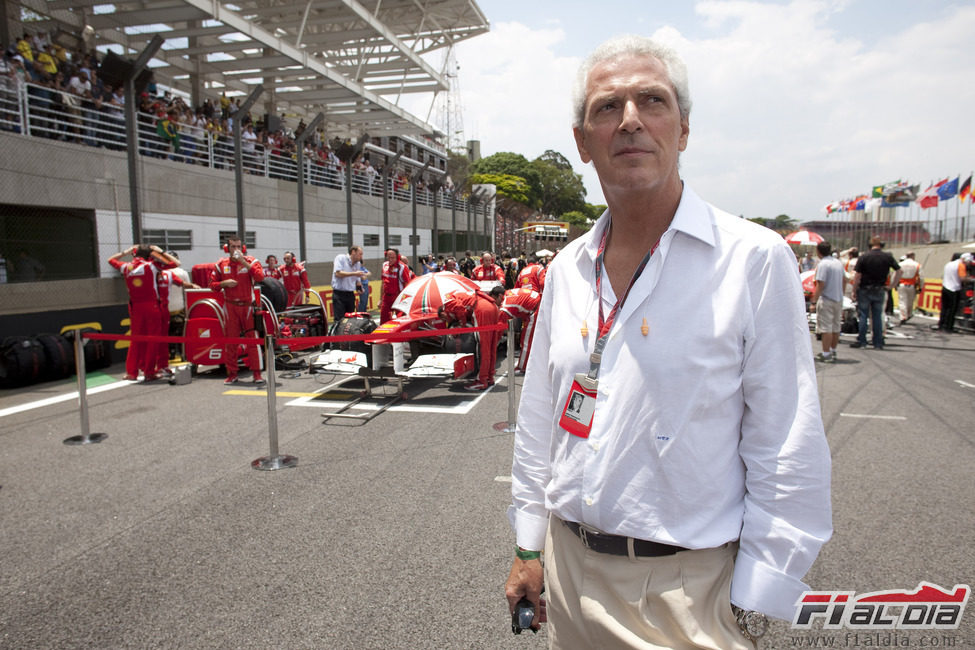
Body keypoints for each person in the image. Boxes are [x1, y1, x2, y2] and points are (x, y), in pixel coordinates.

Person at [504, 35, 831, 650]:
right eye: (607, 107)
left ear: (683, 130)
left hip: (688, 587)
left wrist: (758, 593)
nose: (629, 120)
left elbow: (787, 439)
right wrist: (528, 546)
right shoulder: (568, 267)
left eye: (651, 101)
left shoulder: (754, 259)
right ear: (581, 142)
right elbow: (538, 423)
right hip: (568, 572)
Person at [108, 244, 177, 381]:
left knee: (135, 340)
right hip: (152, 306)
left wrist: (126, 251)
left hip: (136, 308)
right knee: (153, 339)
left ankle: (131, 372)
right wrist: (159, 251)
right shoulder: (152, 265)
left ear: (134, 254)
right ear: (149, 255)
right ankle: (149, 372)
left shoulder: (127, 267)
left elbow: (110, 260)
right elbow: (175, 263)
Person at [209, 236, 266, 385]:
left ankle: (257, 374)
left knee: (252, 341)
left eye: (238, 246)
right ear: (227, 249)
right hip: (230, 307)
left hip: (247, 306)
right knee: (231, 342)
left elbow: (260, 277)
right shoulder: (220, 264)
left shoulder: (251, 261)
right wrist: (223, 283)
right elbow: (212, 285)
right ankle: (232, 374)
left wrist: (243, 262)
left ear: (243, 248)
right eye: (233, 247)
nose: (236, 249)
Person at [438, 286, 502, 391]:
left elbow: (460, 310)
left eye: (444, 317)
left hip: (481, 308)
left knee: (482, 347)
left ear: (443, 312)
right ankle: (489, 377)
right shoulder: (459, 293)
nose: (446, 319)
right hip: (492, 306)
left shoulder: (447, 300)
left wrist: (461, 326)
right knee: (491, 346)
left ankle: (481, 380)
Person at [850, 236, 900, 349]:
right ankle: (878, 342)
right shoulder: (887, 256)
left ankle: (862, 341)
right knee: (877, 316)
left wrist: (854, 290)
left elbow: (857, 275)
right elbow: (899, 270)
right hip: (880, 288)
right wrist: (892, 285)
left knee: (863, 315)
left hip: (865, 288)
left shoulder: (864, 257)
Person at [811, 241, 845, 363]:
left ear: (818, 251)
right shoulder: (838, 263)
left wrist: (814, 301)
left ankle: (826, 353)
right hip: (838, 298)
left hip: (827, 298)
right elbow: (844, 280)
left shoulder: (823, 264)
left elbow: (821, 283)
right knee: (836, 326)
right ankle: (833, 350)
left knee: (826, 328)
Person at [499, 286, 542, 375]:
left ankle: (522, 367)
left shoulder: (506, 304)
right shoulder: (510, 292)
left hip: (535, 310)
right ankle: (532, 364)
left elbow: (500, 327)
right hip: (538, 303)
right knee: (533, 340)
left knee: (526, 342)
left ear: (499, 296)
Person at [331, 245, 367, 322]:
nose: (361, 256)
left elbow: (357, 279)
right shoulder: (341, 258)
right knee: (340, 319)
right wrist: (354, 273)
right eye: (360, 254)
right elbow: (338, 273)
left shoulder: (357, 264)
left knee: (350, 320)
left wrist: (359, 286)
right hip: (339, 294)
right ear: (353, 252)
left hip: (350, 294)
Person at [380, 247, 414, 323]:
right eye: (388, 257)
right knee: (383, 320)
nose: (390, 260)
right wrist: (380, 299)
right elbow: (383, 283)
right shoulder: (384, 265)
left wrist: (406, 301)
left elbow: (407, 285)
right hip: (386, 298)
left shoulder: (402, 267)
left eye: (392, 258)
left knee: (401, 321)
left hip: (399, 297)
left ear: (398, 257)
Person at [935, 252, 967, 333]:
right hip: (954, 289)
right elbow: (963, 278)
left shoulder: (948, 264)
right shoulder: (960, 265)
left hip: (945, 287)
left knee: (944, 308)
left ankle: (941, 325)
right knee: (951, 310)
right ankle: (948, 327)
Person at [896, 252, 922, 324]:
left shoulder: (900, 264)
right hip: (912, 285)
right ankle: (909, 314)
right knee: (910, 302)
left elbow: (895, 275)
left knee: (902, 301)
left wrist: (894, 284)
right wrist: (920, 287)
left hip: (901, 284)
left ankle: (903, 316)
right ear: (913, 256)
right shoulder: (917, 265)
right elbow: (921, 277)